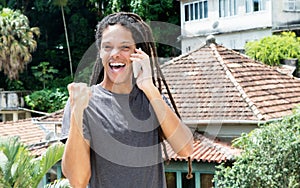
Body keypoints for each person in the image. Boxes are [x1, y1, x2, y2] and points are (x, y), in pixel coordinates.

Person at [61, 12, 193, 188]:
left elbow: (185, 149)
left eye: (124, 47)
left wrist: (148, 86)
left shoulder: (151, 99)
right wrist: (77, 112)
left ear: (137, 53)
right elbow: (78, 180)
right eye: (107, 47)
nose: (115, 54)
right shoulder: (84, 102)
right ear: (100, 52)